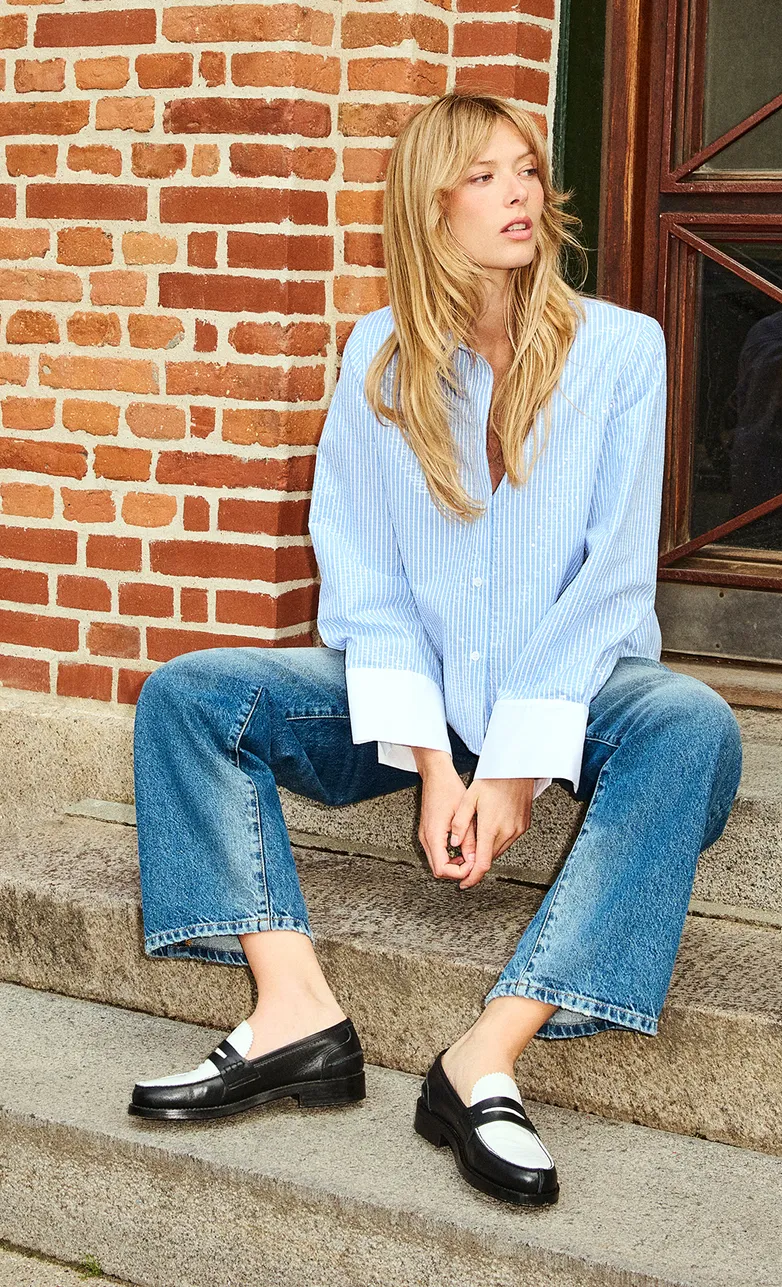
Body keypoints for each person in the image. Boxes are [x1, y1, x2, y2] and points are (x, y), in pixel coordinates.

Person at [127, 91, 743, 1209]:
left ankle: (484, 1056)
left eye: (525, 171)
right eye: (483, 175)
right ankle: (293, 1014)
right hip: (418, 702)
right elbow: (360, 577)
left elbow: (611, 582)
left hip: (576, 694)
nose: (518, 194)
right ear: (428, 206)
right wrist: (434, 766)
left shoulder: (620, 350)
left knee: (691, 726)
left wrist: (511, 764)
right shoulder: (379, 354)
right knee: (189, 696)